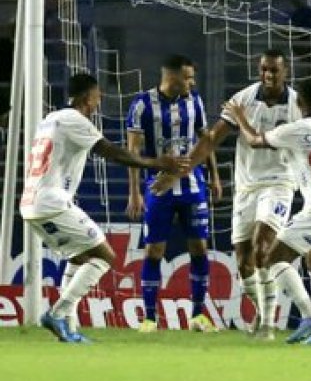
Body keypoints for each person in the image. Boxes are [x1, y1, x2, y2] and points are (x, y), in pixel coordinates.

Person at [22, 73, 188, 342]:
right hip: (51, 201)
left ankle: (70, 330)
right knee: (105, 257)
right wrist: (159, 163)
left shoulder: (49, 119)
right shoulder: (75, 119)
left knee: (79, 258)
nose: (98, 103)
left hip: (31, 203)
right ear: (88, 98)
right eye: (98, 97)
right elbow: (114, 153)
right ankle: (57, 313)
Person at [156, 50, 299, 339]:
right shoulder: (243, 99)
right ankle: (262, 312)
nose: (268, 75)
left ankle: (269, 327)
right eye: (264, 70)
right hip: (246, 187)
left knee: (262, 248)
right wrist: (178, 173)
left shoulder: (296, 105)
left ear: (286, 71)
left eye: (274, 70)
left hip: (279, 183)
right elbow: (211, 141)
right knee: (243, 260)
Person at [223, 78, 311, 345]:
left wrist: (239, 116)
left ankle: (309, 316)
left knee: (273, 259)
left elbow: (253, 140)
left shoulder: (295, 129)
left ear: (298, 102)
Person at [126, 54, 220, 333]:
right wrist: (135, 193)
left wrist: (214, 175)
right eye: (188, 77)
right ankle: (150, 318)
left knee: (199, 247)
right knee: (154, 250)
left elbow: (206, 139)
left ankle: (198, 315)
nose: (192, 83)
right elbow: (133, 151)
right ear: (172, 77)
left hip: (193, 186)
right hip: (158, 188)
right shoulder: (142, 104)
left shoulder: (195, 102)